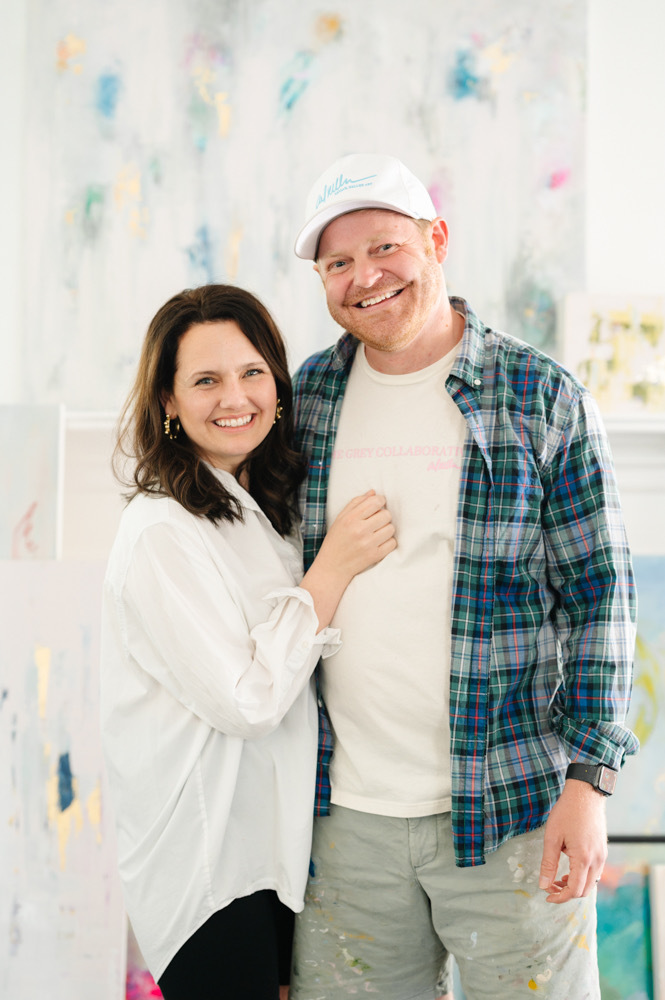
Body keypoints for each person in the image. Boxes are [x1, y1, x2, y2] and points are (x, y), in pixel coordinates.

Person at [288, 153, 639, 1000]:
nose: (364, 277)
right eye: (337, 263)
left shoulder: (540, 396)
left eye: (384, 247)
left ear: (436, 240)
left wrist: (589, 785)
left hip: (512, 813)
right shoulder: (306, 399)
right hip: (344, 822)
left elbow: (600, 598)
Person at [100, 284, 396, 1000]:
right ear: (168, 402)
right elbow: (249, 701)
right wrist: (333, 570)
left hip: (272, 852)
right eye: (205, 380)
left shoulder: (258, 510)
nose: (235, 397)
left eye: (252, 372)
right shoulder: (162, 532)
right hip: (209, 868)